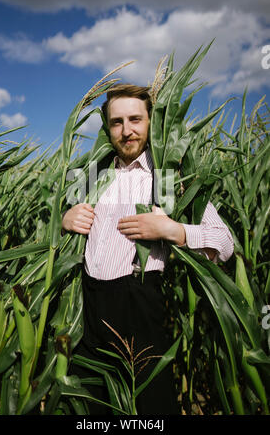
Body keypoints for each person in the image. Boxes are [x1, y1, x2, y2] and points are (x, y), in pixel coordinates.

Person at [62, 84, 234, 415]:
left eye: (135, 119)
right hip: (89, 315)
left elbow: (224, 242)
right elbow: (54, 225)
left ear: (151, 121)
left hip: (141, 311)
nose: (126, 131)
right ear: (107, 127)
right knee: (90, 410)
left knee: (151, 410)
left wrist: (172, 230)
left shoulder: (169, 178)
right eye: (116, 122)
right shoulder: (92, 177)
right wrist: (65, 218)